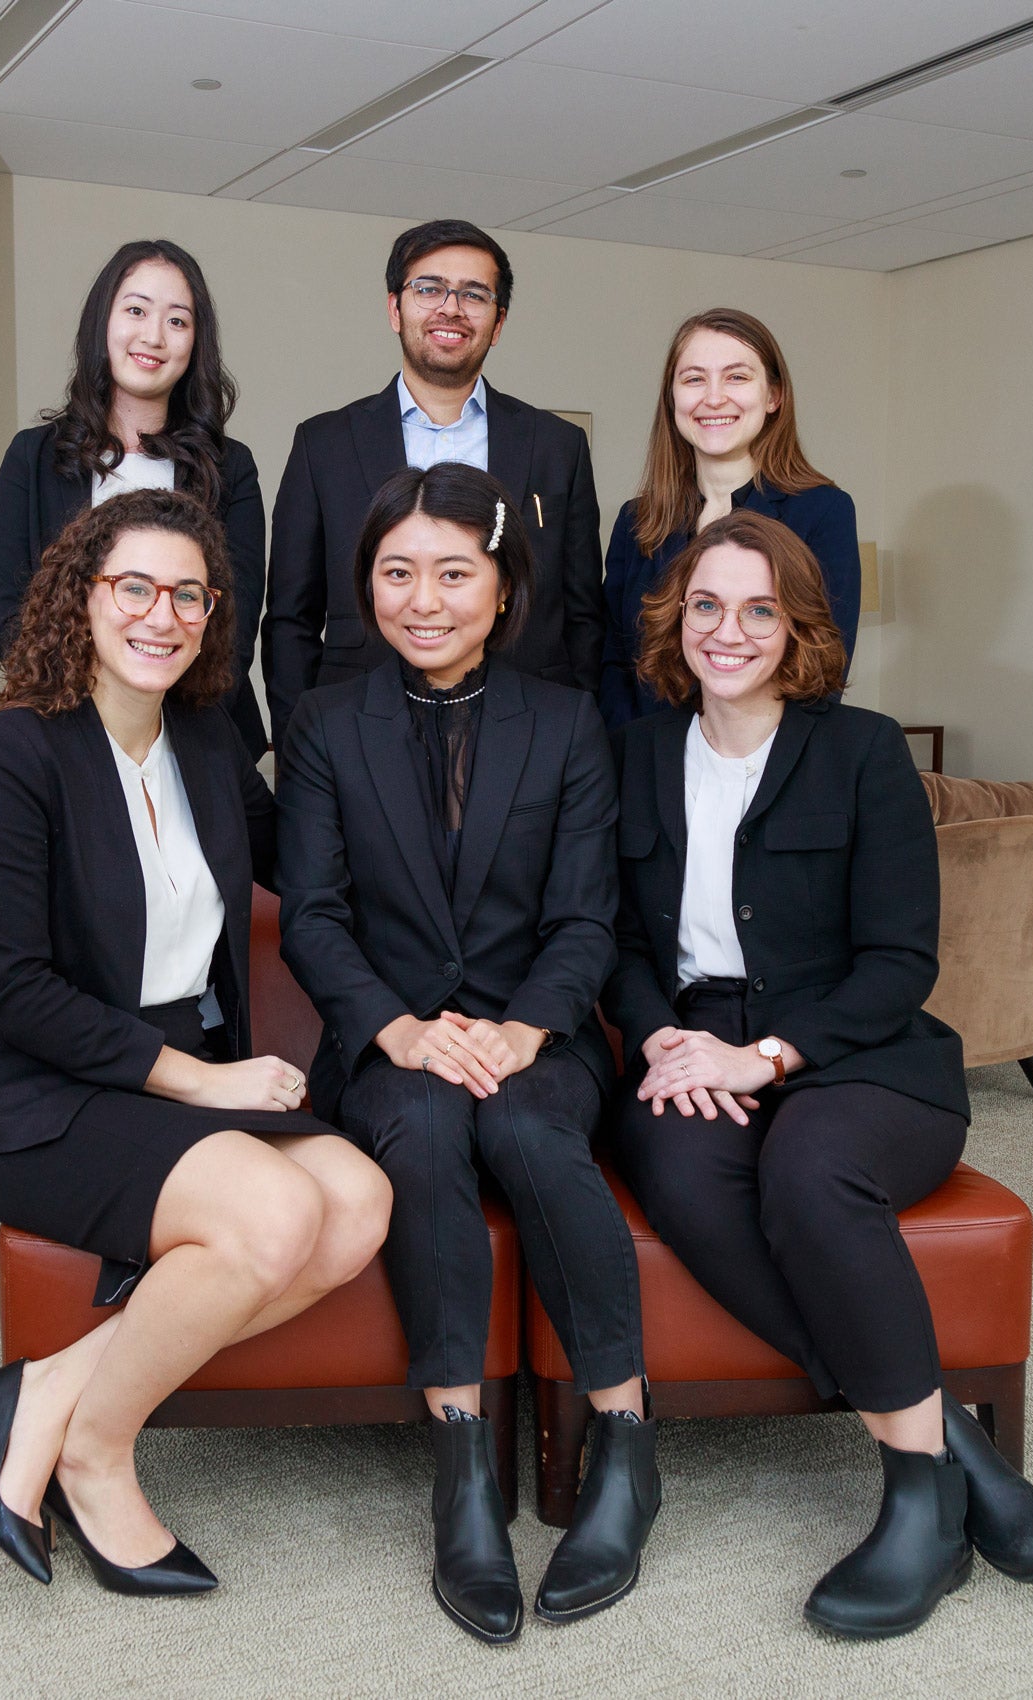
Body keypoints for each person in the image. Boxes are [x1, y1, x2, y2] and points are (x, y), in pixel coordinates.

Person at [604, 508, 1033, 1639]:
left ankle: (914, 1497)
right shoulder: (631, 751)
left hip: (859, 1052)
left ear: (796, 625)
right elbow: (608, 936)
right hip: (695, 1036)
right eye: (706, 604)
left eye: (759, 609)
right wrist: (662, 1035)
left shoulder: (861, 752)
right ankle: (952, 1437)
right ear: (675, 617)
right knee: (675, 1165)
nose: (728, 629)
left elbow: (899, 963)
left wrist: (765, 1055)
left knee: (808, 1174)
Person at [0, 487, 391, 1597]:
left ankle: (46, 1391)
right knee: (280, 1210)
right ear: (79, 598)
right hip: (46, 1094)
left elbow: (317, 872)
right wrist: (200, 1077)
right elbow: (11, 989)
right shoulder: (12, 755)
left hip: (182, 1075)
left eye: (187, 593)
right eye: (132, 586)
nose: (162, 613)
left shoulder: (202, 738)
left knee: (359, 1202)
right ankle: (98, 1451)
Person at [276, 464, 655, 1644]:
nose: (422, 598)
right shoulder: (328, 722)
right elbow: (314, 914)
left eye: (453, 572)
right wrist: (395, 1027)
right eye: (396, 572)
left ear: (503, 590)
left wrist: (523, 1026)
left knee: (525, 1120)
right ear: (366, 587)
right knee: (428, 1124)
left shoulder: (564, 718)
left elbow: (587, 916)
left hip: (530, 1027)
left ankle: (627, 1442)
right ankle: (462, 1464)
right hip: (390, 1033)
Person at [262, 218, 604, 749]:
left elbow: (584, 613)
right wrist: (297, 743)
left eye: (474, 294)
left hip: (527, 728)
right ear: (395, 309)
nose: (451, 308)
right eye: (429, 289)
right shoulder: (324, 444)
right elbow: (289, 619)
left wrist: (579, 734)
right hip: (359, 728)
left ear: (499, 321)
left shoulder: (557, 446)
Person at [0, 239, 270, 757]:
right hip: (62, 727)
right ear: (102, 324)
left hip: (203, 732)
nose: (153, 336)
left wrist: (152, 719)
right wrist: (94, 715)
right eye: (136, 310)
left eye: (178, 321)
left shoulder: (232, 468)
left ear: (196, 343)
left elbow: (236, 625)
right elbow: (8, 611)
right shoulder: (33, 457)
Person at [599, 308, 860, 728]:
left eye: (737, 377)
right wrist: (636, 755)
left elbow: (823, 668)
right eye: (694, 378)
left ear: (774, 395)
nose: (714, 397)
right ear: (672, 396)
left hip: (768, 766)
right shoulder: (637, 520)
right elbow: (613, 660)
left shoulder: (823, 511)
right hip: (648, 764)